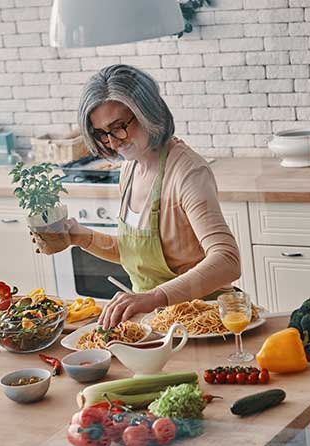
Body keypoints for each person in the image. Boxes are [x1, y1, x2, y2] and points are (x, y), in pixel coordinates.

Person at [36, 64, 241, 329]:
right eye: (102, 134)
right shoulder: (131, 168)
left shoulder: (188, 173)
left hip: (203, 321)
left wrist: (153, 298)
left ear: (148, 111)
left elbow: (227, 261)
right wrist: (80, 237)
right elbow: (138, 255)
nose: (113, 142)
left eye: (119, 126)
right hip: (156, 323)